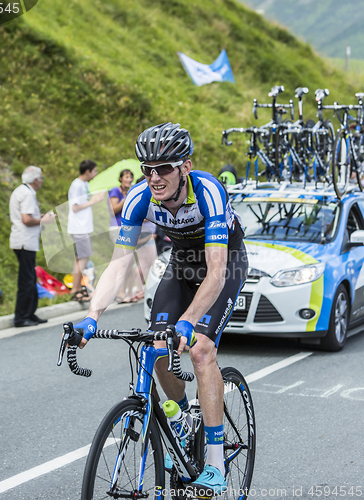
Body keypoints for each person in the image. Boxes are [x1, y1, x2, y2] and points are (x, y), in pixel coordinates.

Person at [70, 122, 248, 495]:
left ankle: (214, 463)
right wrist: (92, 315)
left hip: (224, 265)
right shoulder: (139, 199)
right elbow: (119, 264)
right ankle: (181, 416)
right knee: (155, 344)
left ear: (184, 166)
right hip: (181, 264)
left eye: (163, 168)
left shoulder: (208, 192)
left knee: (199, 349)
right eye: (146, 169)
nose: (153, 177)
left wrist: (188, 321)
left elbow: (216, 273)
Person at [9, 166, 55, 327]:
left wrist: (42, 216)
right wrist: (44, 220)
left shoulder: (21, 191)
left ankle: (30, 313)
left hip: (22, 241)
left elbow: (28, 216)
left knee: (30, 277)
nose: (42, 181)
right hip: (25, 242)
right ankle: (21, 317)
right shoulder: (28, 194)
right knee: (27, 280)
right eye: (41, 178)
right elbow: (26, 220)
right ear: (35, 180)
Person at [67, 159, 103, 303]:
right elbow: (75, 207)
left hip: (83, 227)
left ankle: (76, 287)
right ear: (87, 171)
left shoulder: (85, 184)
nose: (95, 174)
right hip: (78, 227)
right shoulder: (77, 185)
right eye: (94, 171)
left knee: (80, 258)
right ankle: (75, 288)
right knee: (84, 257)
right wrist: (93, 201)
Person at [109, 169, 144, 303]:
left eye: (131, 177)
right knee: (122, 261)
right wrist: (126, 198)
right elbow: (113, 209)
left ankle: (125, 292)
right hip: (116, 228)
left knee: (129, 263)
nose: (129, 179)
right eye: (127, 177)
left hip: (128, 229)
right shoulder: (115, 191)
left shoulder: (130, 192)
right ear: (121, 178)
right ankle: (119, 294)